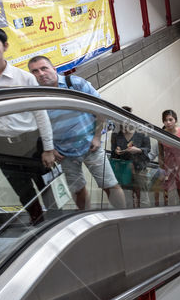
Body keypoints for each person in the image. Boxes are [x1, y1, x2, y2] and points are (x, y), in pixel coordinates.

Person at [0, 27, 56, 224]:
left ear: (5, 46)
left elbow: (41, 114)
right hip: (1, 144)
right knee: (22, 191)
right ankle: (38, 223)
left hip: (32, 142)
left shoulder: (24, 78)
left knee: (46, 185)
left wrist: (48, 148)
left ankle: (56, 220)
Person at [27, 56, 125, 210]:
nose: (40, 73)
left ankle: (123, 215)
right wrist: (50, 148)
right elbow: (38, 126)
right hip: (64, 153)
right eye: (35, 71)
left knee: (110, 186)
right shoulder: (36, 97)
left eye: (44, 68)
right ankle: (87, 219)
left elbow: (101, 109)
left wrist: (97, 137)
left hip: (91, 146)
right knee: (78, 191)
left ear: (54, 69)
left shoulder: (74, 84)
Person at [111, 114, 156, 208]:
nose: (125, 129)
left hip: (139, 170)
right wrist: (116, 151)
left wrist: (138, 150)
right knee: (126, 198)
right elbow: (113, 154)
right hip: (123, 171)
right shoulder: (116, 134)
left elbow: (148, 149)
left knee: (143, 198)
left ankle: (145, 218)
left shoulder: (142, 133)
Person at [159, 110, 180, 205]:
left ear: (175, 120)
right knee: (171, 190)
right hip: (169, 165)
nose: (168, 122)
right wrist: (162, 170)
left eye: (170, 119)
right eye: (165, 120)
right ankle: (173, 210)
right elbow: (161, 154)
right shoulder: (161, 134)